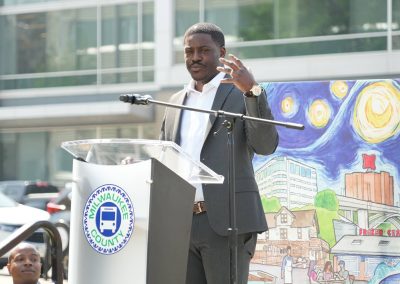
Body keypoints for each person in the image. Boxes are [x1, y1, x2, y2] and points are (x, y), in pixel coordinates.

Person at [160, 22, 279, 284]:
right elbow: (164, 159)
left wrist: (252, 91)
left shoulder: (239, 94)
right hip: (182, 224)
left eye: (203, 50)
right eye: (189, 51)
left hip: (227, 222)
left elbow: (265, 145)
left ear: (221, 53)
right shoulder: (174, 103)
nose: (195, 57)